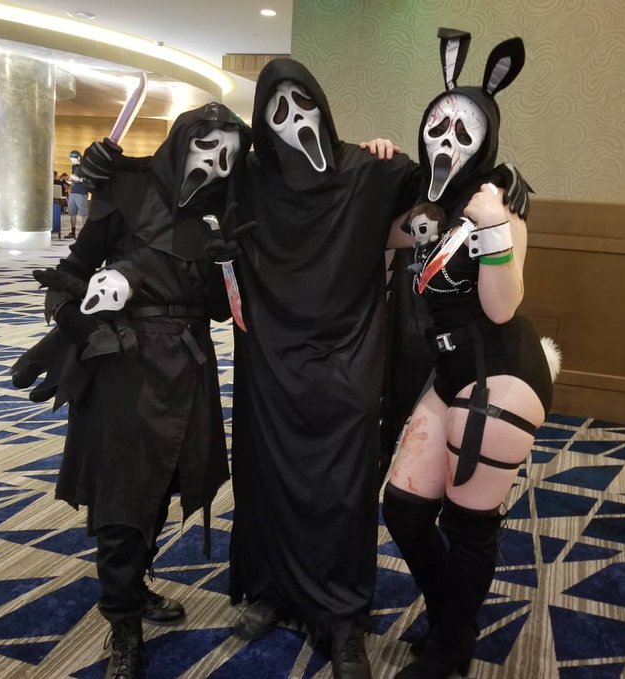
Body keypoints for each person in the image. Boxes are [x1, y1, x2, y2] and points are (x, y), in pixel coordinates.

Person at [226, 58, 531, 679]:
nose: (295, 119)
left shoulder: (387, 177)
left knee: (376, 498)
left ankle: (367, 622)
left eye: (303, 103)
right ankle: (281, 590)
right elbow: (187, 179)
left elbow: (456, 203)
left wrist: (504, 198)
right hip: (302, 365)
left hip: (421, 367)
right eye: (278, 110)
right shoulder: (260, 179)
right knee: (321, 490)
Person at [12, 103, 251, 679]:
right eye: (206, 146)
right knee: (122, 497)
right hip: (124, 364)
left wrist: (226, 266)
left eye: (229, 156)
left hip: (187, 366)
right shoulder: (128, 189)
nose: (215, 164)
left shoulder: (223, 213)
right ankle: (122, 622)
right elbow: (71, 272)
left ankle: (134, 587)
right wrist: (78, 325)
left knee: (164, 482)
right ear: (181, 141)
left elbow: (222, 311)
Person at [378, 30, 559, 679]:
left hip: (504, 371)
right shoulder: (432, 207)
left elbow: (503, 306)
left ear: (486, 139)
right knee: (403, 509)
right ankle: (453, 617)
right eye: (437, 126)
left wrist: (493, 226)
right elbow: (385, 237)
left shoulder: (500, 204)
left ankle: (451, 648)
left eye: (463, 130)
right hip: (451, 368)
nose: (446, 139)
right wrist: (376, 161)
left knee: (468, 523)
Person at [66, 150, 89, 238]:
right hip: (73, 192)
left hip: (82, 193)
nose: (72, 161)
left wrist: (78, 179)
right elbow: (74, 178)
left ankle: (86, 234)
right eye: (71, 159)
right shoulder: (74, 166)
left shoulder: (85, 167)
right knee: (72, 213)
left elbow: (87, 180)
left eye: (73, 159)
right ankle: (73, 232)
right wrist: (71, 181)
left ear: (78, 158)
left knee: (84, 214)